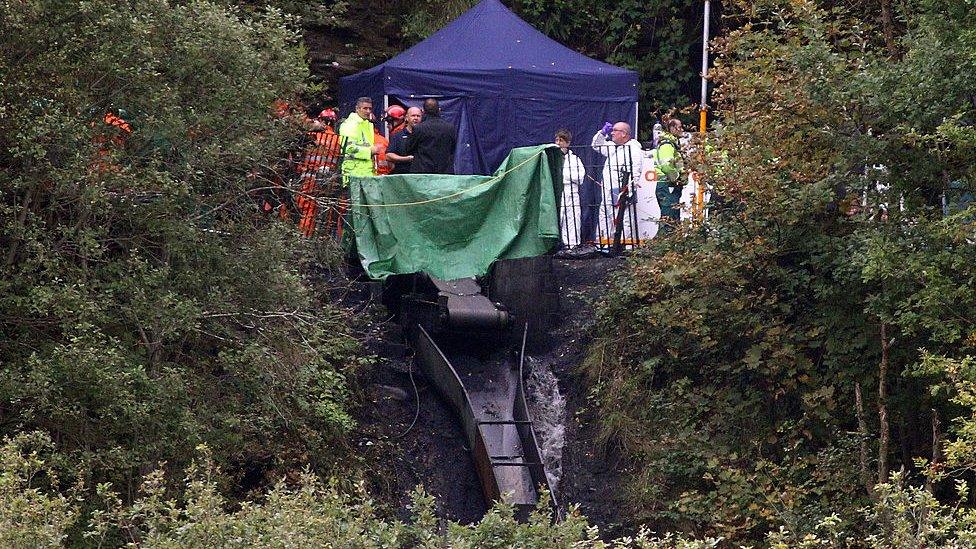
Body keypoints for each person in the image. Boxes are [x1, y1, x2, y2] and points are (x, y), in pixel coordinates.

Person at [591, 121, 643, 248]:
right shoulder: (613, 148)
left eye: (615, 130)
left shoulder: (634, 150)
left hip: (621, 191)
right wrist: (602, 133)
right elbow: (596, 145)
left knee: (625, 218)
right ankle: (605, 244)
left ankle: (627, 246)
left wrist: (627, 191)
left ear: (624, 134)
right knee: (605, 216)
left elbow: (635, 172)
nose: (612, 133)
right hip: (608, 190)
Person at [405, 98, 456, 174]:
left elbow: (409, 149)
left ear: (423, 111)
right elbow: (452, 149)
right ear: (439, 110)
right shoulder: (450, 128)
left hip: (422, 173)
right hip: (444, 172)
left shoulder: (419, 128)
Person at [339, 97, 383, 183]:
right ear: (357, 109)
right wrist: (370, 151)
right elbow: (348, 148)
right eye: (365, 108)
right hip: (353, 174)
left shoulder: (367, 124)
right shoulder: (350, 124)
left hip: (365, 174)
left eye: (370, 108)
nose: (368, 111)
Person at [555, 129, 586, 247]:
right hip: (556, 192)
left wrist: (563, 174)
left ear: (567, 143)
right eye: (557, 140)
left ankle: (572, 245)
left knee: (572, 218)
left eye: (561, 140)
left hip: (570, 191)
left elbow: (579, 177)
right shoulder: (551, 158)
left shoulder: (574, 159)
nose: (558, 143)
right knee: (558, 218)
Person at [654, 118, 685, 234]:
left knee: (673, 219)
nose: (681, 130)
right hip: (668, 185)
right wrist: (677, 178)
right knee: (669, 219)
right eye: (679, 127)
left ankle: (671, 247)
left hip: (669, 185)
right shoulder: (667, 145)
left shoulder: (671, 144)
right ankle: (663, 247)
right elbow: (666, 166)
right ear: (672, 128)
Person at [386, 106, 422, 174]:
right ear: (406, 118)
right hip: (402, 175)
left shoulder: (425, 135)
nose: (416, 118)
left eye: (418, 116)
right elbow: (388, 155)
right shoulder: (397, 136)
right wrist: (406, 159)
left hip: (420, 175)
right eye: (413, 116)